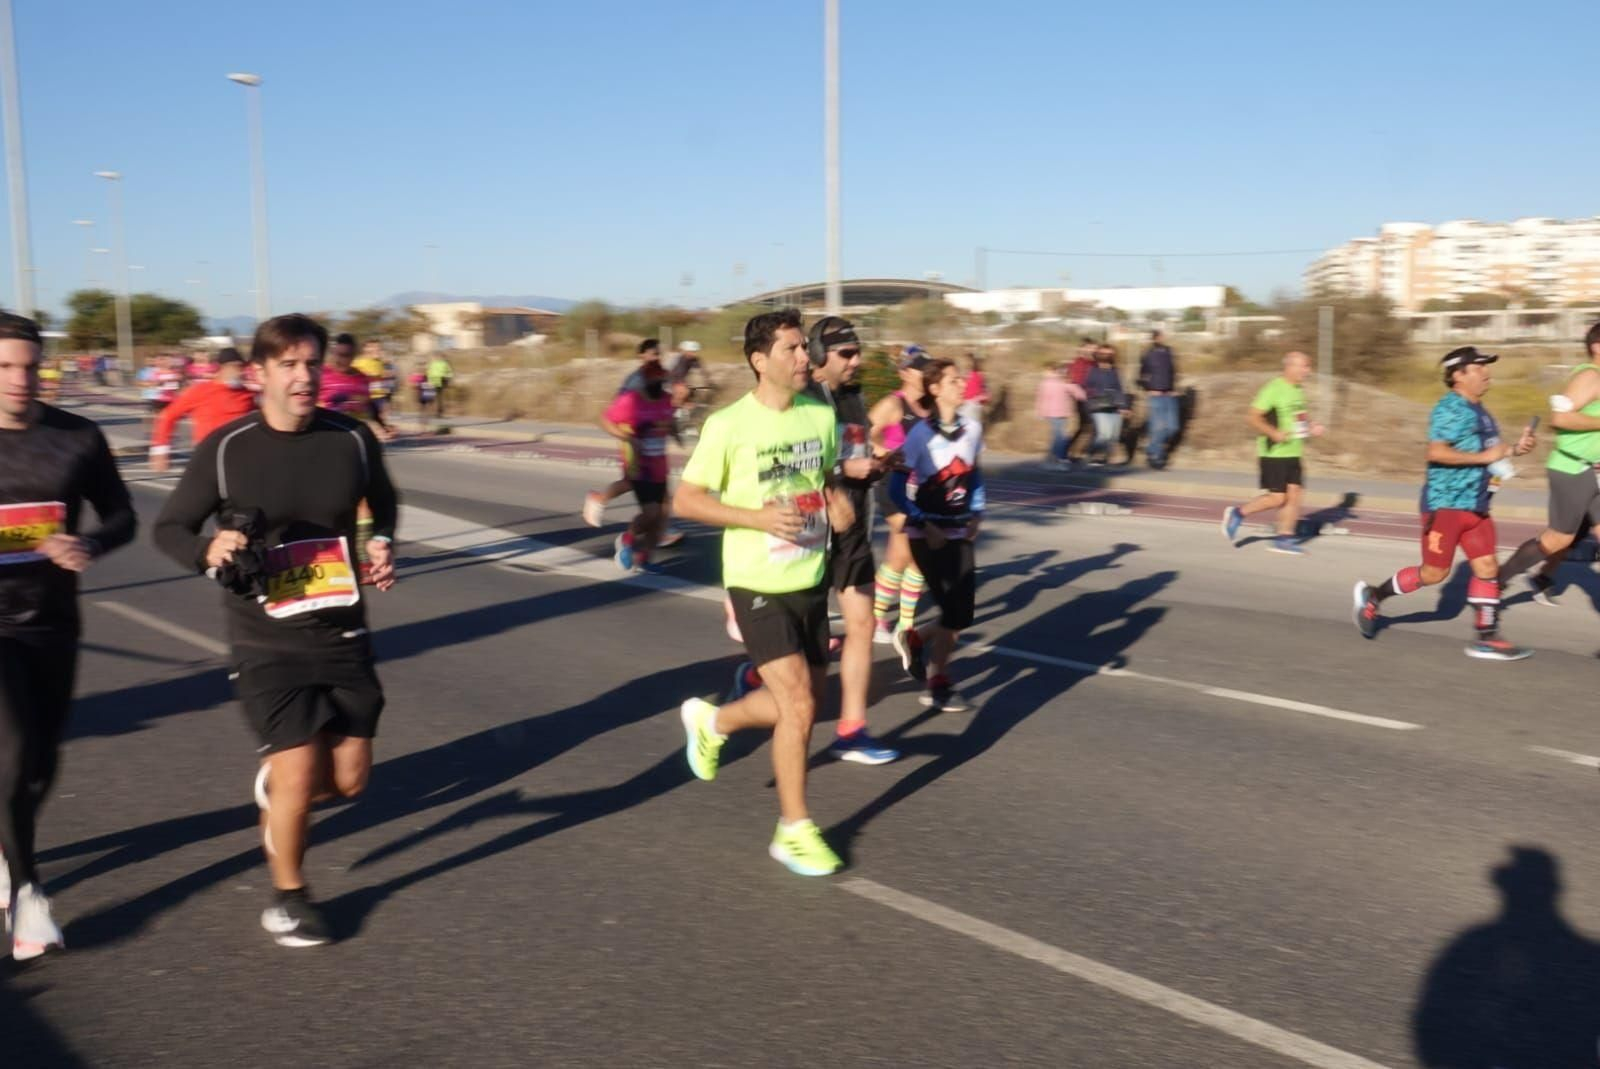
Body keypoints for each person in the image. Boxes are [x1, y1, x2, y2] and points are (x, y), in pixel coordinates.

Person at [154, 313, 399, 947]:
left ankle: (282, 795)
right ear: (259, 373)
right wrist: (209, 551)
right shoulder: (229, 448)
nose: (304, 376)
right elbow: (170, 528)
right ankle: (289, 899)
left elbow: (385, 500)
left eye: (312, 363)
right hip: (263, 637)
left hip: (341, 628)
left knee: (349, 779)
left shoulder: (350, 439)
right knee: (296, 772)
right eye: (288, 365)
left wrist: (381, 544)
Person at [673, 308, 856, 877]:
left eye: (805, 347)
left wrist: (836, 499)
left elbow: (820, 477)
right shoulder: (729, 425)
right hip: (755, 582)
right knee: (799, 704)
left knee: (796, 705)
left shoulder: (817, 415)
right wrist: (754, 518)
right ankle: (793, 830)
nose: (806, 357)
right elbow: (686, 501)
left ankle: (714, 723)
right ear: (760, 361)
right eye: (793, 349)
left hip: (808, 577)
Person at [0, 312, 136, 960]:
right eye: (4, 367)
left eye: (29, 366)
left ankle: (7, 844)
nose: (19, 380)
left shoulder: (77, 438)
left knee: (41, 763)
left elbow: (123, 516)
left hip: (53, 621)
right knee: (13, 748)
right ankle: (30, 895)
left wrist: (90, 541)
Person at [1352, 348, 1535, 661]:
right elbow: (1436, 452)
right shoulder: (1451, 407)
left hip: (1476, 505)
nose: (1486, 373)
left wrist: (1515, 450)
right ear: (1458, 374)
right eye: (1479, 367)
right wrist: (1484, 458)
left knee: (1488, 567)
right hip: (1446, 505)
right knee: (1434, 574)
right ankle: (1375, 596)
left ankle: (1486, 638)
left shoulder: (1482, 412)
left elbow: (1490, 453)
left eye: (1486, 367)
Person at [800, 315, 899, 763]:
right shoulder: (800, 403)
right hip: (809, 537)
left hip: (853, 533)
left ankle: (852, 730)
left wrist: (878, 462)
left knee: (860, 625)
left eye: (857, 352)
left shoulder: (856, 399)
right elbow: (794, 470)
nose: (856, 361)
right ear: (819, 358)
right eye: (846, 354)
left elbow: (853, 454)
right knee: (804, 649)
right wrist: (842, 473)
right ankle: (757, 681)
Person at [890, 357, 984, 713]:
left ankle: (914, 637)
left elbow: (975, 474)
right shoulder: (919, 436)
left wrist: (978, 510)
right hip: (926, 532)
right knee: (952, 608)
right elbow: (896, 489)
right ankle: (938, 682)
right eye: (953, 381)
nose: (962, 385)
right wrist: (922, 522)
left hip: (959, 528)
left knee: (960, 614)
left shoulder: (972, 429)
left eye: (961, 380)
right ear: (935, 389)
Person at [1494, 321, 1600, 605]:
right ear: (1597, 347)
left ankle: (1540, 578)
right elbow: (1560, 418)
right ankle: (1496, 582)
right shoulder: (1591, 376)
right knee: (1558, 539)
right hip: (1572, 470)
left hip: (1591, 470)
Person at [1221, 351, 1325, 555]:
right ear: (1290, 366)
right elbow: (1252, 417)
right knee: (1278, 498)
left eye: (1308, 366)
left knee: (1295, 495)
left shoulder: (1297, 389)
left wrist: (1311, 426)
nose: (1308, 371)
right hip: (1274, 453)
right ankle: (1237, 513)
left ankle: (1284, 539)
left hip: (1294, 451)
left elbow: (1299, 417)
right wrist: (1274, 433)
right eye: (1304, 366)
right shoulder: (1273, 389)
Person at [868, 348, 931, 655]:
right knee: (910, 548)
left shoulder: (931, 406)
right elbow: (863, 432)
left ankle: (895, 622)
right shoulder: (894, 403)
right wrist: (884, 451)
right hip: (893, 484)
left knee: (905, 558)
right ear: (905, 373)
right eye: (921, 368)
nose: (926, 372)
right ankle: (887, 621)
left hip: (922, 488)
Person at [600, 361, 677, 571]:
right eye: (655, 380)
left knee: (661, 517)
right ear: (645, 380)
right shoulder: (630, 400)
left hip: (660, 468)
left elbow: (670, 421)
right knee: (651, 514)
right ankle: (626, 540)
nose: (659, 384)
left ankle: (645, 558)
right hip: (640, 467)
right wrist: (626, 437)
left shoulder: (667, 400)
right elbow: (606, 420)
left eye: (661, 380)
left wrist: (675, 433)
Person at [148, 347, 257, 472]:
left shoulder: (247, 394)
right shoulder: (200, 391)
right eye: (235, 367)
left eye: (241, 367)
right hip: (207, 455)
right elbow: (168, 416)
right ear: (221, 369)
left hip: (238, 455)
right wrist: (160, 450)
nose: (240, 372)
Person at [1083, 344, 1130, 466]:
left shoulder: (1115, 371)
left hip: (1114, 406)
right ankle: (1091, 453)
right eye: (1103, 353)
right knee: (1104, 434)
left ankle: (1102, 458)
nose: (1106, 356)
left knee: (1113, 436)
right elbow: (1086, 387)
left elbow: (1120, 389)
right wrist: (1098, 394)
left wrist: (1124, 407)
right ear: (1098, 355)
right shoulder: (1092, 370)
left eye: (1109, 354)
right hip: (1098, 406)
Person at [1138, 330, 1179, 469]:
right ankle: (1156, 457)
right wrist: (1149, 388)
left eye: (1163, 335)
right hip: (1156, 397)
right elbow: (1139, 378)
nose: (1163, 338)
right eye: (1161, 336)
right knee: (1157, 428)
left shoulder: (1169, 352)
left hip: (1169, 395)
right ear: (1155, 338)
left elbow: (1173, 371)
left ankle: (1151, 449)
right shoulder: (1147, 355)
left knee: (1173, 427)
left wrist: (1173, 388)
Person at [1035, 359, 1077, 468]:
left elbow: (1042, 399)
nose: (1043, 373)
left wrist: (1040, 412)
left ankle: (1057, 457)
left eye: (1045, 371)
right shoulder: (1062, 381)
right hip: (1061, 412)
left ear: (1051, 370)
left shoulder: (1046, 383)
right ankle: (1060, 457)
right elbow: (1074, 390)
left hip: (1053, 413)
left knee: (1059, 436)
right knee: (1059, 435)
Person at [352, 339, 395, 430]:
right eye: (373, 348)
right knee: (370, 421)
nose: (377, 350)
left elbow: (382, 378)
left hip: (380, 395)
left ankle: (381, 433)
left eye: (378, 348)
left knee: (382, 418)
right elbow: (352, 377)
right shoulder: (359, 362)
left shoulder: (380, 363)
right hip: (367, 397)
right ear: (365, 349)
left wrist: (385, 381)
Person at [960, 350, 989, 425]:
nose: (966, 364)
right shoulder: (967, 375)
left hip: (971, 404)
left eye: (968, 362)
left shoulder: (975, 375)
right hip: (968, 404)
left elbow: (984, 390)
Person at [425, 352, 454, 417]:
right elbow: (429, 372)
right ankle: (433, 412)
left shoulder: (444, 363)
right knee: (433, 397)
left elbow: (449, 372)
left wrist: (448, 379)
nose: (437, 358)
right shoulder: (433, 363)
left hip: (440, 380)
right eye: (436, 356)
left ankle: (439, 412)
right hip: (434, 381)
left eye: (439, 356)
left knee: (439, 397)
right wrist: (428, 381)